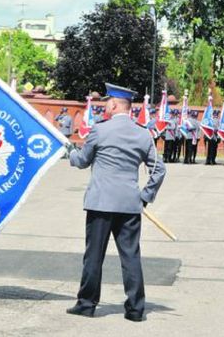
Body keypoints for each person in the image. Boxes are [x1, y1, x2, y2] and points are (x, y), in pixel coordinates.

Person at [65, 83, 166, 322]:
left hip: (100, 203)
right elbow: (159, 170)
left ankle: (87, 304)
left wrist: (70, 152)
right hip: (130, 205)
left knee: (94, 256)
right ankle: (135, 309)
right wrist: (145, 195)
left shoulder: (101, 130)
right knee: (130, 257)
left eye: (107, 102)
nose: (105, 105)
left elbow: (82, 161)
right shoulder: (143, 133)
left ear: (113, 104)